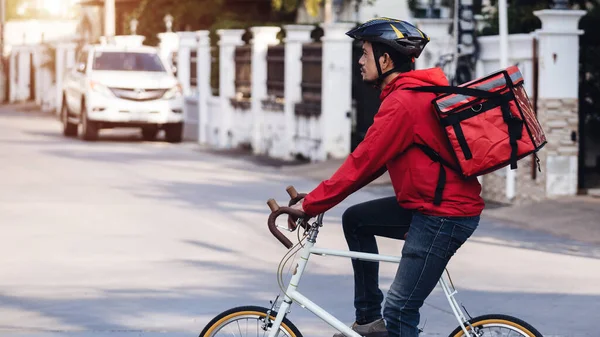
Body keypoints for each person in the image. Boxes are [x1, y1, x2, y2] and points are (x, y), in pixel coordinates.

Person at [290, 18, 484, 337]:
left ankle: (380, 321)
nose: (360, 60)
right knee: (356, 220)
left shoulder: (403, 103)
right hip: (428, 205)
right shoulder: (407, 96)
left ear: (386, 59)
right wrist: (316, 199)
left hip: (442, 215)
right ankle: (368, 320)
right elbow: (374, 161)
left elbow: (362, 163)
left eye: (365, 53)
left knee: (400, 308)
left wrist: (311, 205)